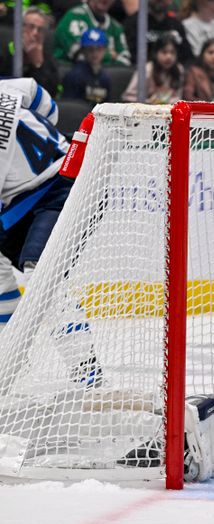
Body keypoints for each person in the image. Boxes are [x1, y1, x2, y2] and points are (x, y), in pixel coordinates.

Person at [0, 78, 102, 387]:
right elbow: (39, 95)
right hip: (51, 179)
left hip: (62, 188)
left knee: (41, 276)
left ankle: (88, 372)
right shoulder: (5, 90)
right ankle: (9, 355)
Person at [0, 8, 60, 96]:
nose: (35, 33)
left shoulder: (49, 61)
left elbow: (49, 96)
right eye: (31, 27)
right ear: (20, 28)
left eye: (40, 30)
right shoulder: (4, 50)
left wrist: (38, 64)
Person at [54, 0, 131, 65]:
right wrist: (112, 55)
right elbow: (81, 56)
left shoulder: (116, 27)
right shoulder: (73, 16)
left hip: (104, 78)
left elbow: (125, 62)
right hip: (70, 75)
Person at [123, 0, 193, 64]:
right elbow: (133, 57)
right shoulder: (133, 24)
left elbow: (188, 58)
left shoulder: (177, 26)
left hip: (174, 74)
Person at [121, 33, 184, 104]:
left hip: (169, 111)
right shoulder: (146, 69)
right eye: (164, 52)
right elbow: (128, 97)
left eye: (172, 52)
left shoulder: (179, 69)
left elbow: (178, 97)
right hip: (144, 111)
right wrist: (149, 102)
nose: (169, 57)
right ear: (156, 53)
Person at [61, 28, 113, 104]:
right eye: (90, 49)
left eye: (98, 49)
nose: (95, 53)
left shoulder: (105, 78)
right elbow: (70, 108)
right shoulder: (73, 76)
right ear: (83, 51)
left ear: (104, 50)